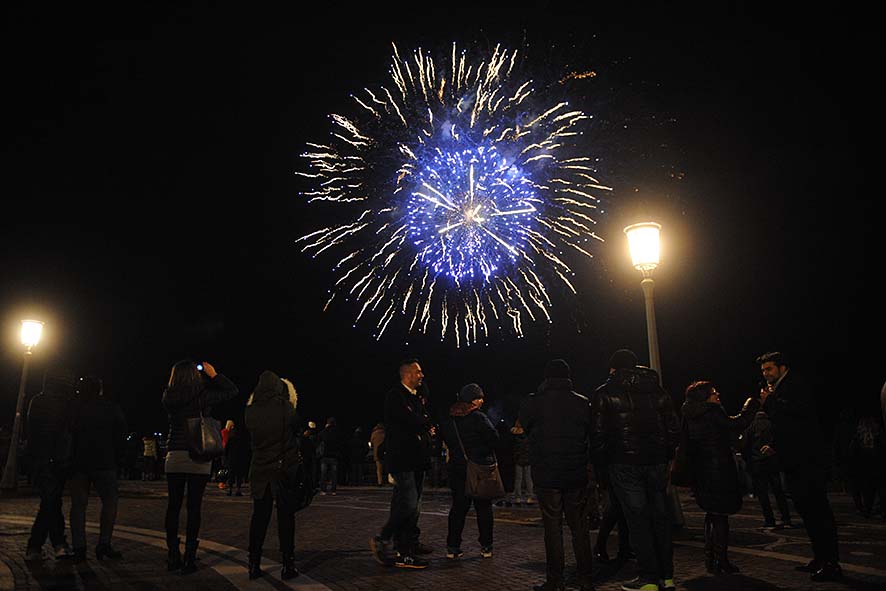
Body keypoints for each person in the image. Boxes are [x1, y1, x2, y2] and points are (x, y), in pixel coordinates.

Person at [591, 349, 680, 591]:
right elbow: (673, 428)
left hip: (623, 463)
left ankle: (648, 577)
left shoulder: (604, 393)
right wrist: (666, 455)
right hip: (656, 463)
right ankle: (667, 576)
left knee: (637, 520)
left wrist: (601, 470)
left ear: (613, 369)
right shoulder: (658, 391)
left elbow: (598, 436)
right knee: (660, 517)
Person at [757, 351, 842, 581]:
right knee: (806, 511)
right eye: (763, 370)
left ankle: (831, 562)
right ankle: (820, 557)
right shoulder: (779, 390)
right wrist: (774, 445)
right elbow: (783, 424)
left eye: (769, 369)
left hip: (807, 459)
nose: (766, 374)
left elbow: (799, 415)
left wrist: (770, 401)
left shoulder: (795, 385)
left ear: (782, 367)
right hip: (794, 458)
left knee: (817, 511)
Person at [519, 359, 593, 591]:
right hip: (575, 472)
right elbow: (591, 433)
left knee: (552, 528)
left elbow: (525, 426)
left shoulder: (534, 402)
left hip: (547, 473)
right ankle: (585, 578)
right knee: (579, 527)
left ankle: (555, 580)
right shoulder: (582, 403)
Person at [162, 360, 238, 574]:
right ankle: (189, 558)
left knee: (173, 506)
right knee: (194, 508)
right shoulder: (203, 394)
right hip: (199, 454)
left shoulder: (169, 396)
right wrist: (213, 375)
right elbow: (232, 390)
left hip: (175, 454)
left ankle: (172, 555)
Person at [680, 381, 758, 575]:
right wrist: (751, 406)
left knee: (711, 514)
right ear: (705, 397)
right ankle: (721, 561)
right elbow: (736, 423)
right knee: (721, 515)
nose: (718, 395)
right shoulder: (712, 411)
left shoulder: (689, 414)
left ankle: (710, 558)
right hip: (718, 470)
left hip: (701, 470)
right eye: (714, 393)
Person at [369, 358, 435, 569]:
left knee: (412, 505)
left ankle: (406, 544)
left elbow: (422, 418)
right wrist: (424, 423)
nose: (422, 375)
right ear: (407, 374)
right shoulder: (396, 396)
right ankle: (389, 541)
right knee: (408, 504)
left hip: (416, 459)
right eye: (418, 372)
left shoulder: (416, 397)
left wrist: (424, 423)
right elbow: (413, 420)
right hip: (403, 459)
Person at [244, 371, 302, 580]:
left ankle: (253, 562)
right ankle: (288, 564)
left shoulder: (250, 411)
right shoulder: (285, 407)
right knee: (285, 517)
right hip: (282, 468)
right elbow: (296, 428)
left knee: (259, 517)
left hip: (260, 469)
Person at [67, 376, 127, 562]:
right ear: (99, 389)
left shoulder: (74, 409)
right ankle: (104, 543)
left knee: (78, 505)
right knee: (110, 502)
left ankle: (79, 547)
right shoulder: (110, 408)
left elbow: (67, 433)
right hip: (104, 461)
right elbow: (121, 433)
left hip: (79, 462)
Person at [440, 383, 499, 559]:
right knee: (484, 508)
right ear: (472, 400)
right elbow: (494, 438)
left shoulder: (450, 418)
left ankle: (453, 546)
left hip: (458, 468)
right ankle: (486, 546)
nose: (482, 401)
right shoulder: (478, 417)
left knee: (458, 508)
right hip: (479, 468)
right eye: (479, 398)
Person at [24, 367, 77, 561]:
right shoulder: (64, 405)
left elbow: (33, 433)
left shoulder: (37, 401)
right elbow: (64, 433)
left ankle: (48, 545)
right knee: (51, 503)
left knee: (51, 502)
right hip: (55, 460)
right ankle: (44, 545)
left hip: (40, 459)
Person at [742, 404, 792, 529]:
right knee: (778, 491)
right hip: (772, 462)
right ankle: (786, 518)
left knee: (762, 494)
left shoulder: (751, 427)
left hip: (757, 463)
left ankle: (769, 519)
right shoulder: (772, 424)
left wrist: (749, 460)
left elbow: (745, 446)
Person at [850, 414, 886, 520]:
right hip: (879, 469)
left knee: (868, 492)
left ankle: (867, 511)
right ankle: (881, 511)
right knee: (881, 491)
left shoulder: (858, 438)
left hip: (866, 470)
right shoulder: (879, 436)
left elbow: (852, 455)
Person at [510, 419, 535, 505]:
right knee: (528, 479)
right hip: (527, 459)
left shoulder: (513, 435)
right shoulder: (528, 434)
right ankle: (530, 497)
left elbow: (513, 448)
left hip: (518, 459)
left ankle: (517, 497)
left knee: (518, 479)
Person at [318, 417, 343, 495]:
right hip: (334, 456)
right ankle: (333, 490)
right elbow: (340, 443)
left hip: (325, 455)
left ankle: (323, 490)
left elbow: (319, 439)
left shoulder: (324, 431)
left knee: (323, 474)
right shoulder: (337, 432)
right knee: (334, 474)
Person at [225, 421, 250, 496]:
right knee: (239, 475)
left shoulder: (231, 438)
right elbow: (246, 450)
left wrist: (226, 458)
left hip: (232, 458)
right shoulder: (243, 439)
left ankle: (230, 489)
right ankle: (238, 489)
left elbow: (227, 449)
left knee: (231, 474)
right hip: (240, 458)